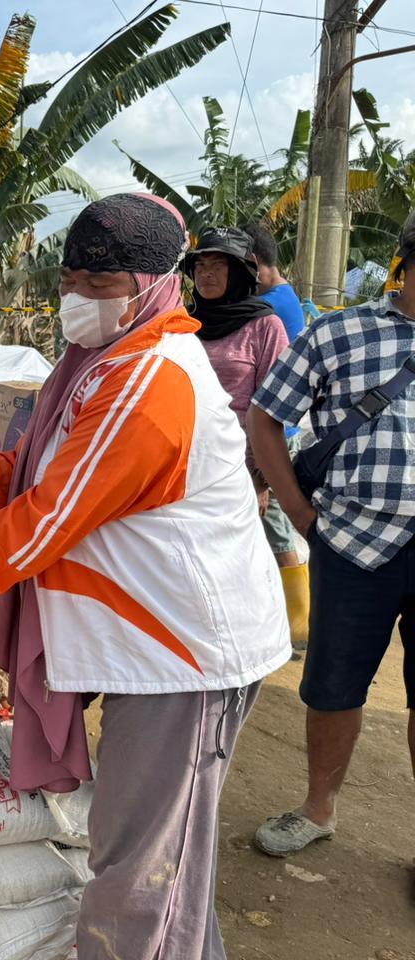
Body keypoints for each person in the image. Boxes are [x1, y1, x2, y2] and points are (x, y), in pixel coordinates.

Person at [0, 193, 290, 959]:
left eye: (102, 286)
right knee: (158, 860)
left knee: (141, 872)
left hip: (186, 656)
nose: (78, 300)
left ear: (156, 284)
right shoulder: (97, 364)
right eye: (70, 280)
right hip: (146, 645)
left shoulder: (151, 383)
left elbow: (43, 521)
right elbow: (26, 474)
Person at [248, 212, 415, 858]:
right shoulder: (339, 334)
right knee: (335, 686)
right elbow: (267, 418)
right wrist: (299, 513)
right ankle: (319, 808)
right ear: (403, 266)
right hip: (351, 546)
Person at [185, 227, 305, 643]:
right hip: (185, 461)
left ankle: (281, 628)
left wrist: (259, 479)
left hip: (240, 464)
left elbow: (270, 409)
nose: (206, 274)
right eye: (200, 265)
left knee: (243, 552)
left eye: (217, 265)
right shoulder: (184, 323)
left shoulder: (265, 327)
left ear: (239, 272)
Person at [242, 221, 311, 645]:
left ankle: (299, 628)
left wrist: (263, 468)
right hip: (279, 430)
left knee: (278, 527)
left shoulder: (272, 309)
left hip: (276, 433)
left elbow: (271, 392)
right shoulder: (283, 299)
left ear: (252, 263)